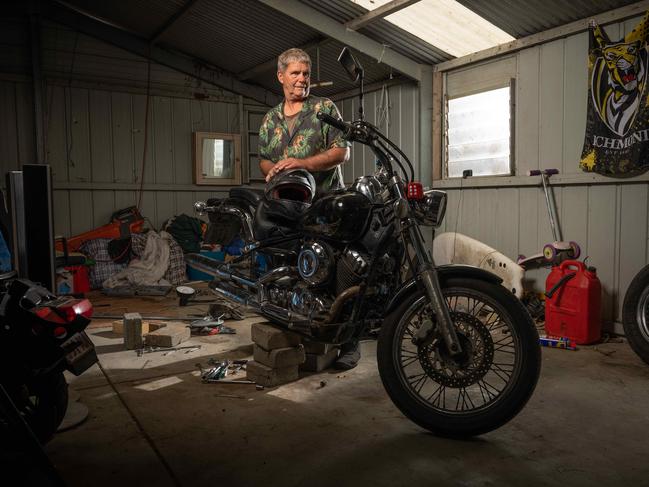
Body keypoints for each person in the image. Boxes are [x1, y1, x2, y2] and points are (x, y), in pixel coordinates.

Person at [258, 47, 360, 370]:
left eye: (306, 73)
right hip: (288, 210)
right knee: (293, 270)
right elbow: (263, 157)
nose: (302, 79)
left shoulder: (324, 108)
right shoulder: (270, 119)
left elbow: (341, 152)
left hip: (327, 207)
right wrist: (273, 170)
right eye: (295, 73)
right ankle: (296, 330)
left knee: (338, 274)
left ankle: (348, 344)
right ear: (280, 77)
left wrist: (300, 162)